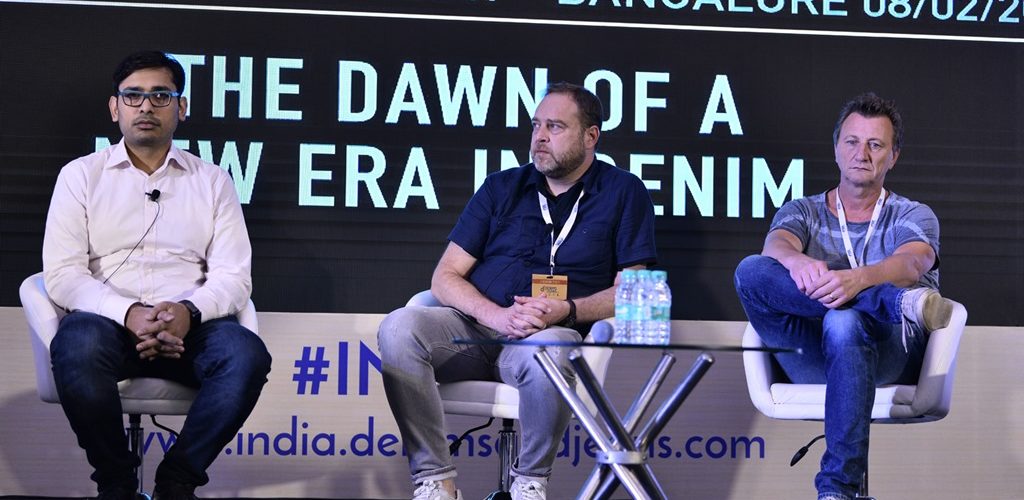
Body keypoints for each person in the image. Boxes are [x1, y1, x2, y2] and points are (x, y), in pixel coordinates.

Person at [378, 82, 657, 500]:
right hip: (474, 333)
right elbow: (445, 276)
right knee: (399, 327)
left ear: (591, 136)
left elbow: (636, 294)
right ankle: (435, 480)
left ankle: (530, 481)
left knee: (551, 348)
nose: (540, 137)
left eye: (555, 127)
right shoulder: (501, 187)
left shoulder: (624, 192)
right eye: (536, 125)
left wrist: (566, 309)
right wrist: (497, 316)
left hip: (547, 337)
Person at [42, 51, 272, 500]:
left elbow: (234, 277)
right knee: (77, 344)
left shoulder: (213, 180)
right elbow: (64, 275)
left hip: (192, 328)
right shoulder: (80, 176)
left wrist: (188, 312)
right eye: (133, 96)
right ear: (115, 108)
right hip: (106, 324)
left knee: (245, 355)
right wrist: (128, 312)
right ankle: (116, 484)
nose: (146, 106)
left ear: (181, 108)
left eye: (160, 96)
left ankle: (177, 481)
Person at [734, 93, 954, 500]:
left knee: (844, 320)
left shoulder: (912, 213)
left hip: (889, 355)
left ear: (893, 156)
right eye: (852, 141)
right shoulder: (803, 210)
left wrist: (859, 278)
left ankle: (837, 490)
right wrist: (797, 262)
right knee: (751, 271)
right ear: (836, 147)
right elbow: (776, 246)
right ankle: (890, 302)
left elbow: (912, 263)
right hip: (811, 356)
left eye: (876, 145)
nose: (861, 154)